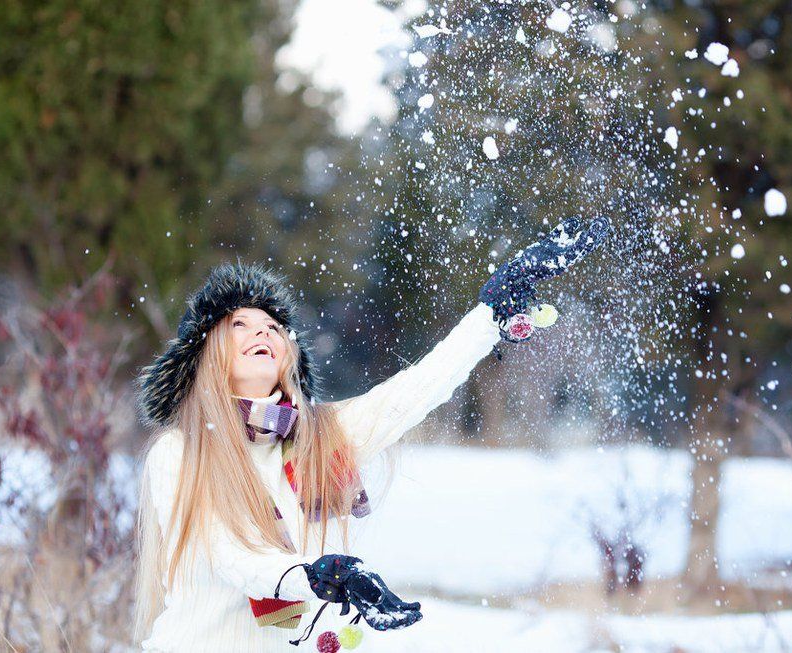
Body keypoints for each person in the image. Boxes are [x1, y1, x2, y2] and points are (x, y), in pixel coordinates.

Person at [133, 218, 608, 651]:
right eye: (240, 323)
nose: (264, 333)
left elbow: (413, 392)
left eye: (274, 327)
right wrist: (316, 576)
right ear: (207, 353)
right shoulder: (179, 451)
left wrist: (488, 316)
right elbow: (230, 555)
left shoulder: (315, 439)